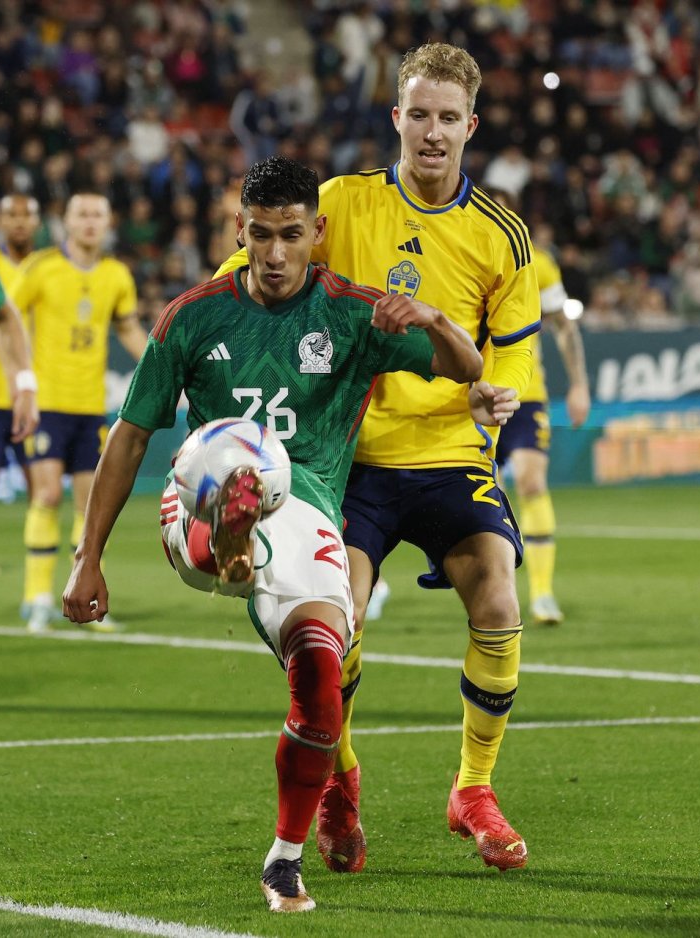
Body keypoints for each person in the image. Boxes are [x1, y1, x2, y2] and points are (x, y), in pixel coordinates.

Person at [62, 156, 483, 912]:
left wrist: (431, 318)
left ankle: (288, 852)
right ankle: (227, 539)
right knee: (229, 485)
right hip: (199, 491)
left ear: (318, 232)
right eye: (262, 236)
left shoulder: (355, 312)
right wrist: (86, 559)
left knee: (323, 674)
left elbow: (466, 364)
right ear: (240, 231)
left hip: (309, 509)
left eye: (293, 235)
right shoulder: (193, 317)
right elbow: (128, 439)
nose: (278, 253)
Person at [216, 42, 541, 876]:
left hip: (447, 456)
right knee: (336, 620)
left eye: (448, 118)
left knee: (500, 596)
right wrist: (205, 315)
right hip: (347, 459)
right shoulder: (342, 204)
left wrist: (492, 392)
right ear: (396, 118)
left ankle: (472, 789)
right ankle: (341, 781)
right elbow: (257, 265)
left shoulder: (502, 235)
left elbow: (513, 354)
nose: (432, 133)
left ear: (471, 125)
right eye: (418, 115)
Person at [12, 193, 148, 633]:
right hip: (48, 403)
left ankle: (83, 601)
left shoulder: (116, 275)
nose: (90, 222)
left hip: (92, 406)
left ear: (109, 222)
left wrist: (161, 368)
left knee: (90, 509)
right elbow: (7, 318)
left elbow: (127, 327)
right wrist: (22, 383)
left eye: (98, 215)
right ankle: (36, 598)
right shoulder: (42, 268)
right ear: (65, 222)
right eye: (82, 215)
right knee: (47, 495)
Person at [491, 192, 591, 624]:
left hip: (527, 393)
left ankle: (543, 595)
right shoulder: (459, 248)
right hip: (478, 396)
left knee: (531, 483)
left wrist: (580, 386)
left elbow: (564, 327)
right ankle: (495, 595)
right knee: (486, 499)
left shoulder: (538, 261)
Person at [0, 194, 41, 503]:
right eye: (12, 215)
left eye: (26, 215)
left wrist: (26, 382)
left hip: (37, 396)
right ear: (0, 220)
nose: (20, 221)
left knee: (43, 493)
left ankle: (37, 552)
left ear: (37, 222)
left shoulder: (51, 267)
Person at [0, 269, 39, 519]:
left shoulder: (40, 267)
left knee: (41, 488)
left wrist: (25, 383)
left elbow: (8, 318)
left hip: (15, 401)